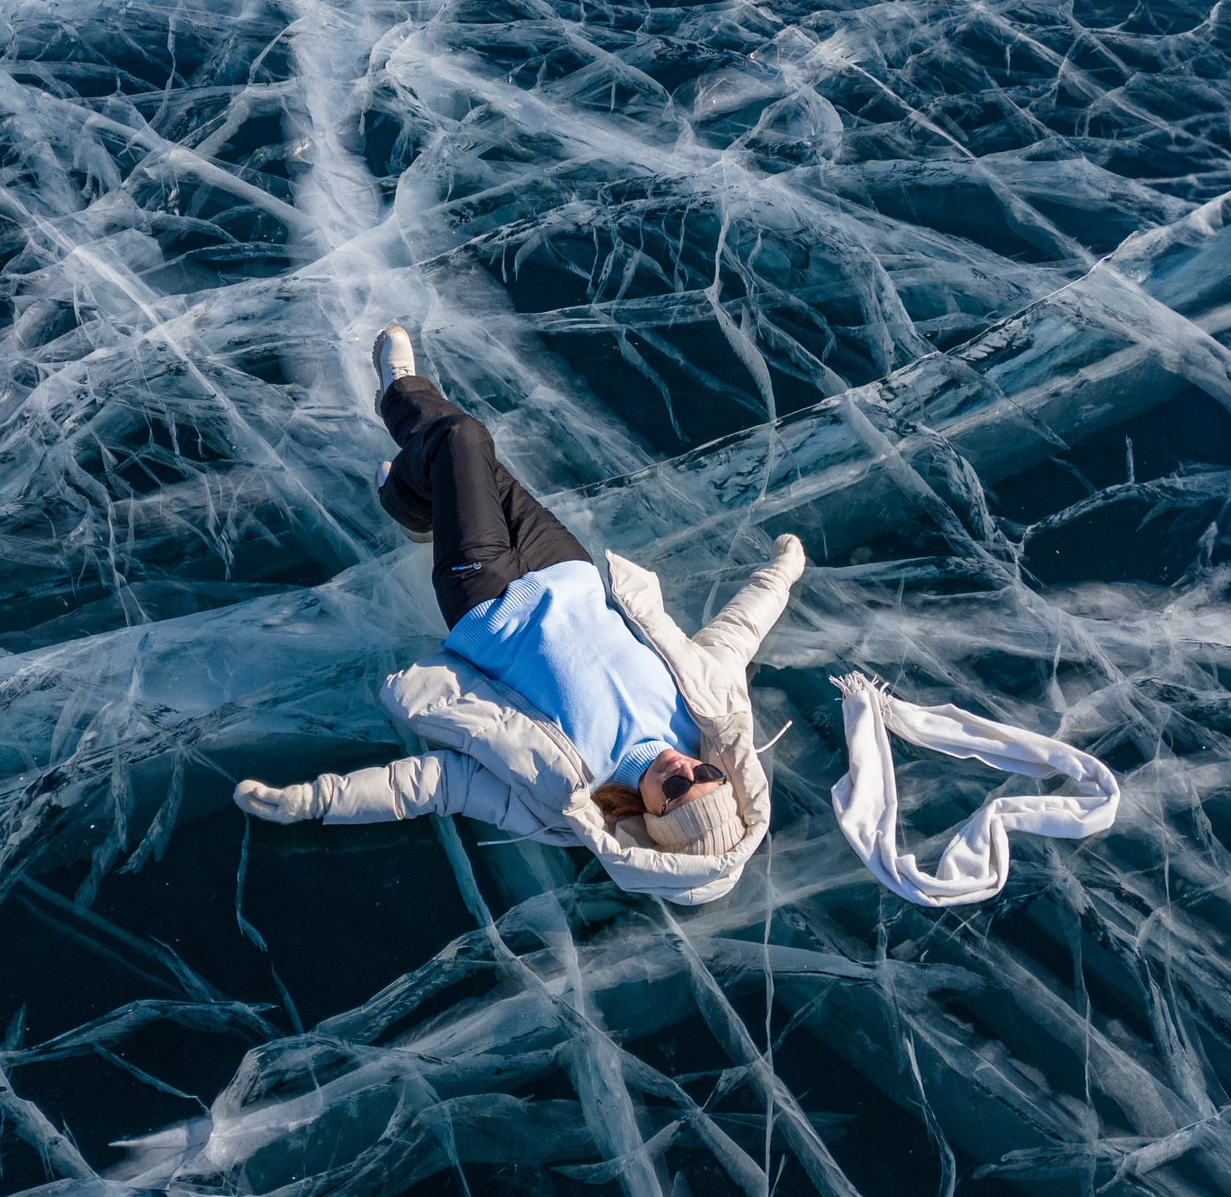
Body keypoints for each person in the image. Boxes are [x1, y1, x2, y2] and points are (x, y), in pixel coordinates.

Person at [233, 327, 806, 905]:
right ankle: (409, 502)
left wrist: (315, 801)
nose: (685, 770)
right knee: (477, 463)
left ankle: (399, 395)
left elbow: (438, 786)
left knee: (460, 438)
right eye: (706, 777)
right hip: (566, 569)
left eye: (677, 790)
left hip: (485, 600)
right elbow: (735, 636)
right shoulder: (707, 717)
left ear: (649, 815)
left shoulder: (565, 795)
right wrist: (781, 575)